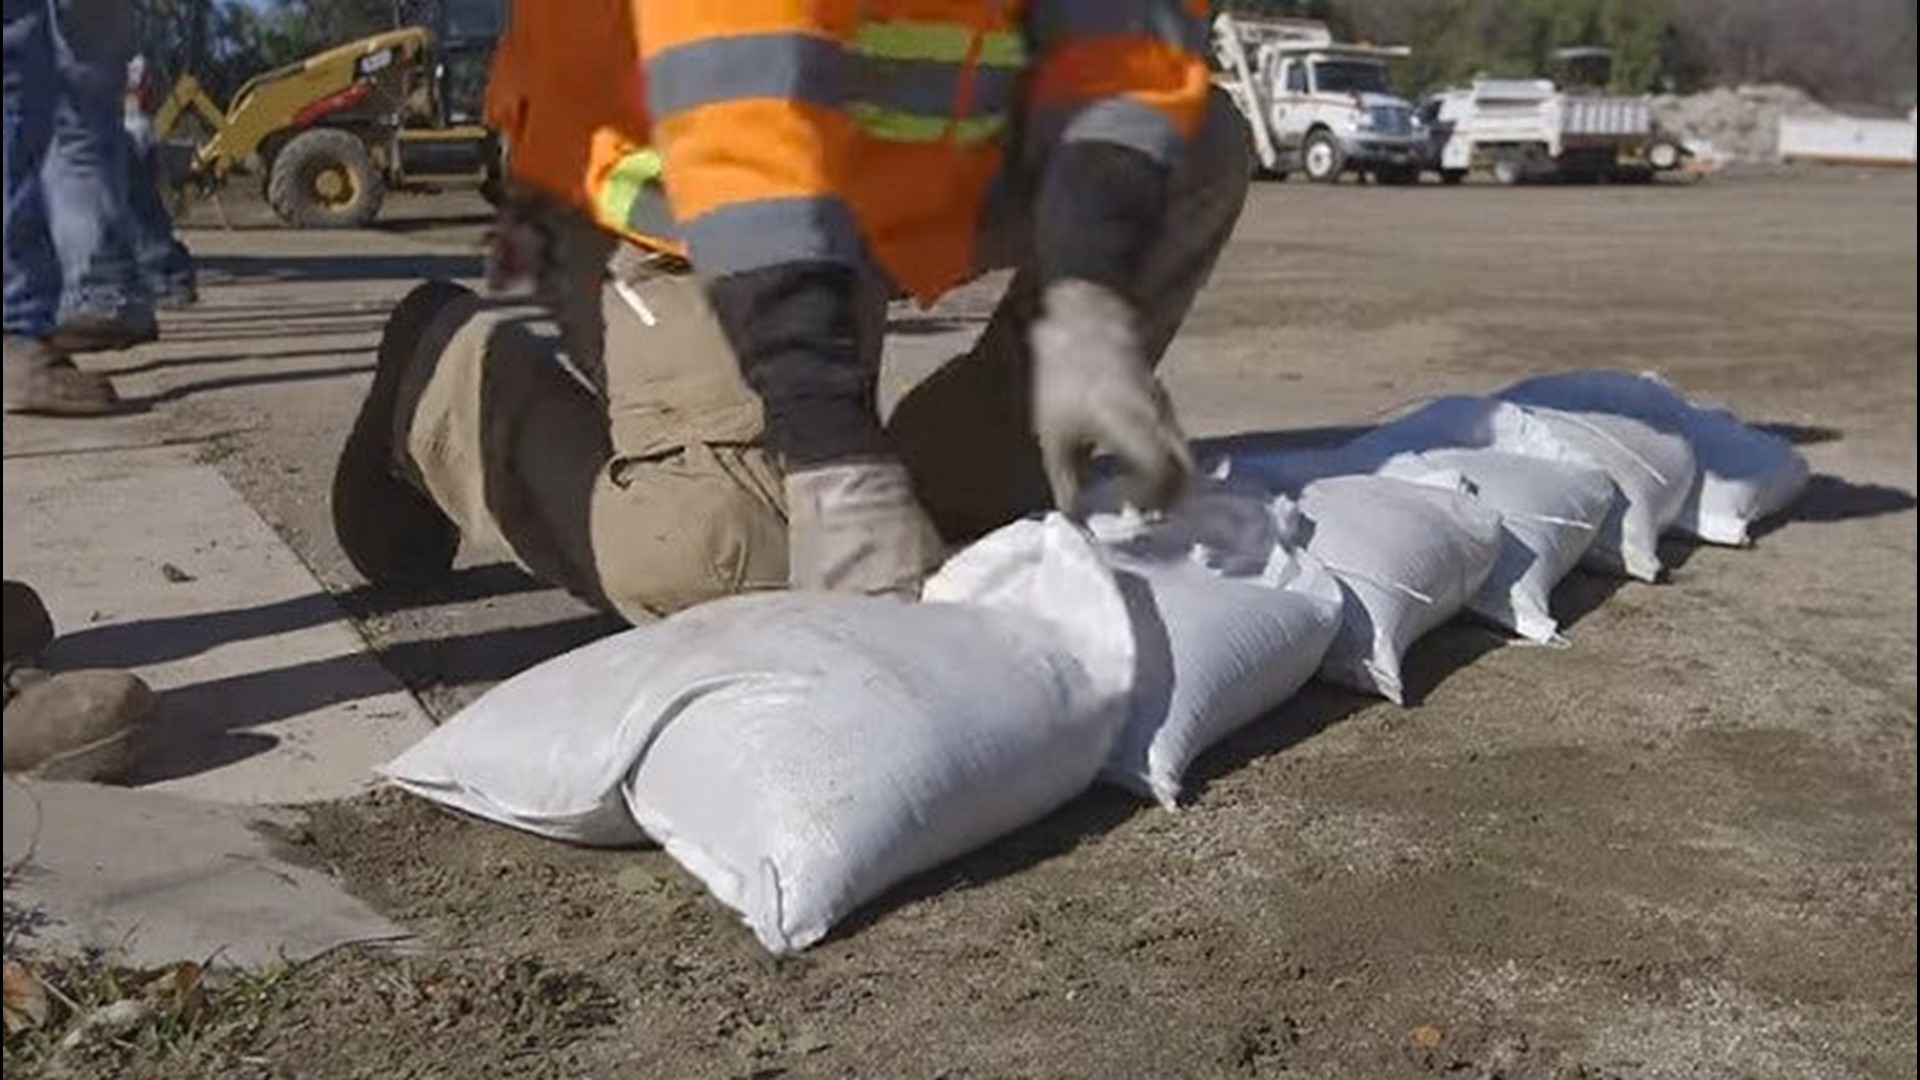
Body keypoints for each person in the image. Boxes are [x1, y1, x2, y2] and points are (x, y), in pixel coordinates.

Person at [332, 0, 1249, 619]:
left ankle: (978, 464)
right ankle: (443, 376)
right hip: (659, 193)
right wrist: (831, 447)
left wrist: (1087, 295)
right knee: (725, 554)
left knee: (1195, 137)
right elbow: (740, 100)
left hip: (869, 195)